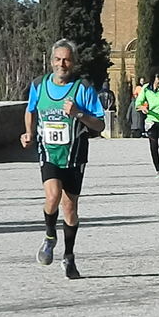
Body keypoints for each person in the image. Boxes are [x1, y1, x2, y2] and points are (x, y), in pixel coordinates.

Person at [20, 39, 105, 279]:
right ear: (51, 61)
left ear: (73, 62)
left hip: (75, 154)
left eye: (66, 59)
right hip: (49, 152)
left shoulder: (84, 88)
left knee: (70, 208)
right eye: (57, 59)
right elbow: (31, 109)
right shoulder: (39, 84)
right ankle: (49, 236)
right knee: (52, 195)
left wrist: (78, 113)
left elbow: (100, 124)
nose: (62, 64)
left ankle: (69, 257)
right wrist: (28, 132)